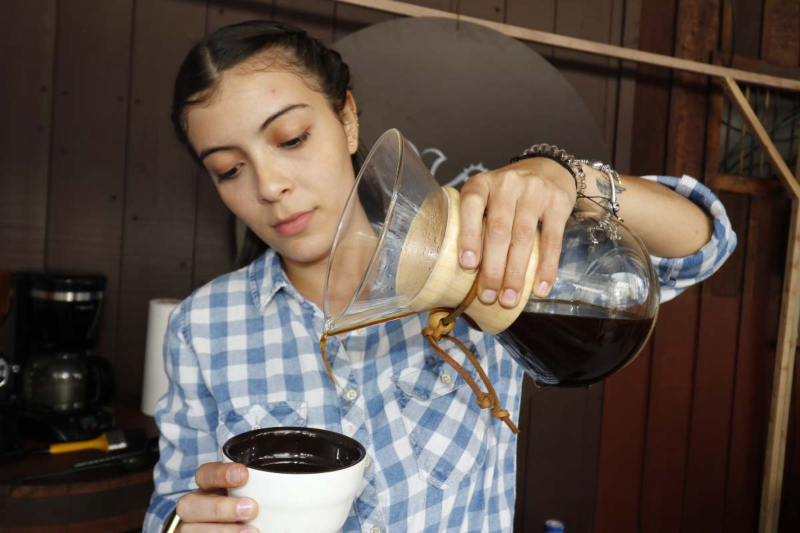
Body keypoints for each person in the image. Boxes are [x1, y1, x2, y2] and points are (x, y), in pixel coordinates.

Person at [144, 20, 736, 533]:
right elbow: (172, 507)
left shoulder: (477, 252)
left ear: (347, 119)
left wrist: (562, 176)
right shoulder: (205, 326)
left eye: (292, 139)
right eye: (228, 170)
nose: (269, 186)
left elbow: (700, 247)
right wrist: (186, 522)